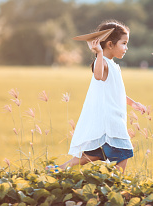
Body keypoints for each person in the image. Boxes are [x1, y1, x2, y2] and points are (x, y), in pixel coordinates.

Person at [48, 20, 146, 172]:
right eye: (124, 43)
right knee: (124, 152)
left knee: (93, 154)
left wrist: (133, 103)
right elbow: (98, 75)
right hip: (110, 121)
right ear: (110, 44)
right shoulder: (102, 63)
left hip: (112, 117)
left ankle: (58, 169)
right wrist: (99, 53)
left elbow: (115, 92)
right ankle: (115, 186)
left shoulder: (114, 65)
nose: (126, 48)